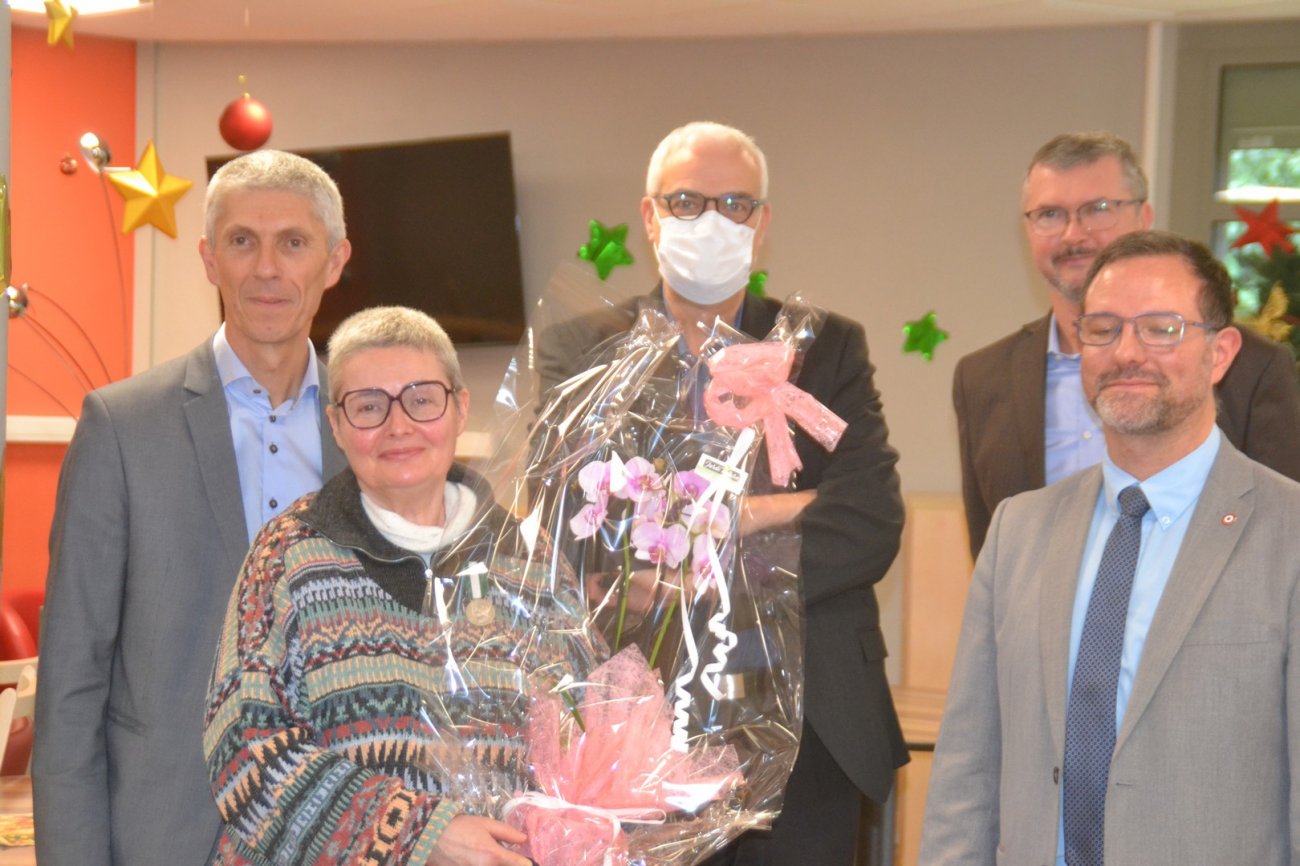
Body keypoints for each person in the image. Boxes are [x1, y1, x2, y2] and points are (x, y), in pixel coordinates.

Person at [537, 121, 907, 864]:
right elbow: (578, 524)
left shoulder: (825, 346)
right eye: (687, 202)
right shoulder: (583, 348)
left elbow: (869, 519)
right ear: (650, 217)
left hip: (813, 732)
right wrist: (787, 510)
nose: (712, 221)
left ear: (762, 224)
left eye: (736, 204)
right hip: (638, 729)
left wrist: (719, 528)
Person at [920, 230, 1300, 866]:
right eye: (1102, 329)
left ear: (1221, 352)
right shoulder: (1018, 531)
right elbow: (968, 768)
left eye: (1161, 329)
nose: (1127, 352)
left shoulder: (1288, 534)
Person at [33, 149, 351, 866]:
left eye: (293, 242)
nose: (266, 268)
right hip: (166, 835)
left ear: (334, 261)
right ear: (210, 259)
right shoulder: (121, 426)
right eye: (242, 241)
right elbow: (72, 681)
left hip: (339, 835)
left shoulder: (367, 429)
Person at [204, 306, 601, 865]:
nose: (398, 426)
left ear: (460, 408)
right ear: (336, 425)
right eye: (369, 406)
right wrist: (419, 835)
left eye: (421, 399)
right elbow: (243, 751)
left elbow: (591, 737)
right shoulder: (288, 555)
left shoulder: (531, 564)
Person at [953, 132, 1300, 558]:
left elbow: (1282, 541)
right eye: (1049, 214)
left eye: (1098, 209)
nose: (1073, 234)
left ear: (1144, 215)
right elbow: (990, 553)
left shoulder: (1251, 365)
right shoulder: (981, 379)